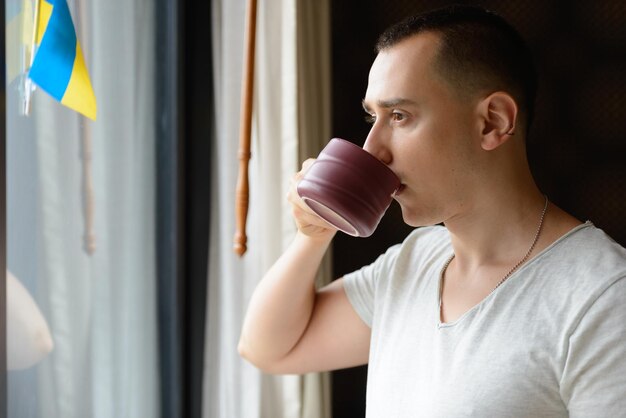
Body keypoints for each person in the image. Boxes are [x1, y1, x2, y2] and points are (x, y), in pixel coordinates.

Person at [238, 5, 626, 416]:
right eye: (373, 117)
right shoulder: (416, 260)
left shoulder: (602, 296)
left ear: (492, 122)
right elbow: (269, 349)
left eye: (400, 116)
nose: (372, 150)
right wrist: (312, 235)